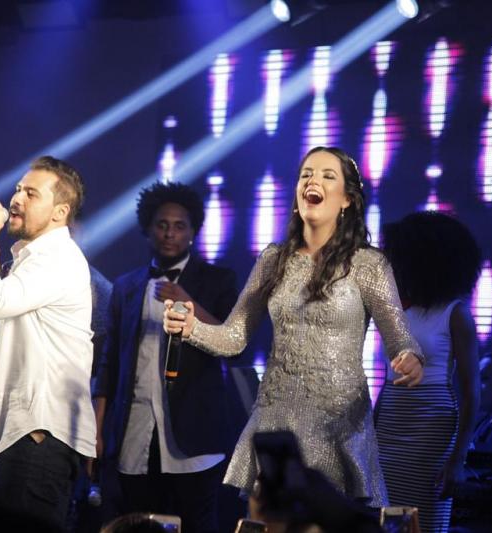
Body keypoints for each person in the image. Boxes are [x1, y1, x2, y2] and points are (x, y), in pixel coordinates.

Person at [163, 146, 424, 509]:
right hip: (277, 423)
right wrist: (192, 328)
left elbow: (399, 337)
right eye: (306, 174)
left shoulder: (368, 264)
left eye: (327, 176)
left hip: (338, 425)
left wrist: (409, 357)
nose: (313, 181)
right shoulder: (274, 259)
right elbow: (234, 337)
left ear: (347, 199)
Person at [0, 156, 96, 530]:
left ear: (60, 212)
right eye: (18, 189)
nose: (16, 199)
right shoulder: (33, 260)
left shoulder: (57, 258)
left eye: (31, 193)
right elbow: (6, 348)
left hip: (40, 438)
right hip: (29, 436)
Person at [91, 182, 239, 533]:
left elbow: (235, 342)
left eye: (179, 226)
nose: (170, 233)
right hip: (135, 432)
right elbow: (109, 364)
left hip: (194, 436)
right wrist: (96, 431)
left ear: (193, 232)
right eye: (162, 224)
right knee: (137, 524)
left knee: (197, 525)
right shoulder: (126, 286)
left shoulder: (217, 280)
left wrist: (188, 300)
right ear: (148, 229)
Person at [373, 211, 481, 533]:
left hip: (431, 425)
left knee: (426, 518)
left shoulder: (455, 314)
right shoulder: (397, 310)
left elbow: (471, 392)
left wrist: (458, 459)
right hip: (390, 422)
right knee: (387, 518)